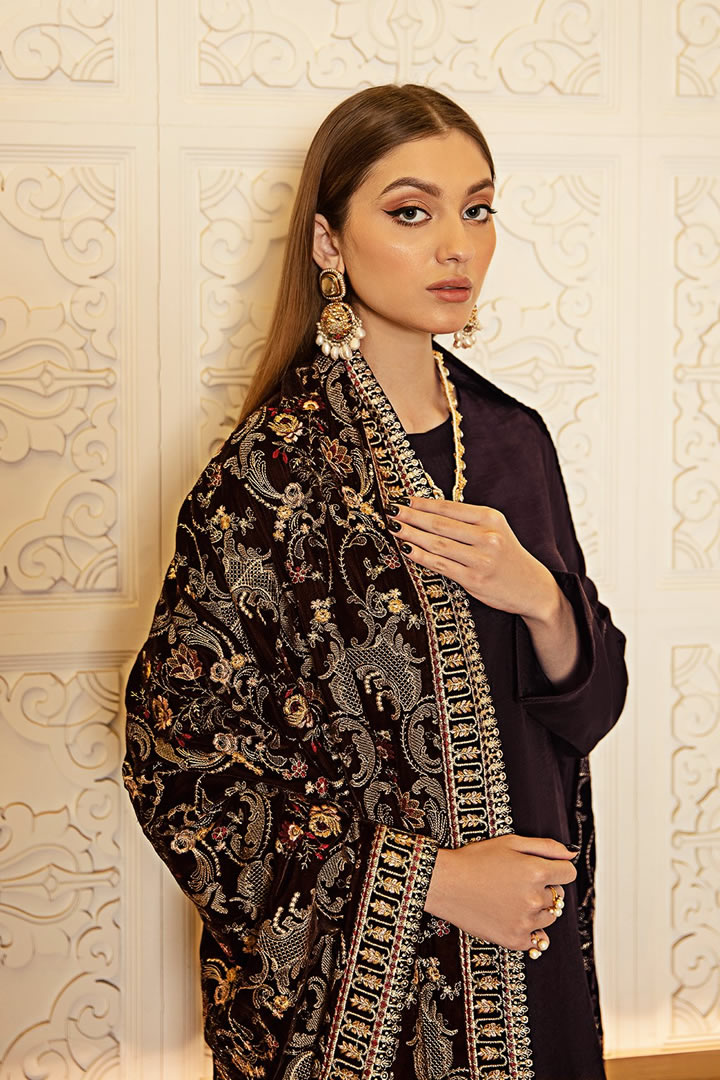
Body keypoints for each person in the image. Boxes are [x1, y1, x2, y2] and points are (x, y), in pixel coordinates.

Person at [123, 84, 627, 1080]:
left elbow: (592, 709)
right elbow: (179, 762)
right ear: (328, 241)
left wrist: (538, 595)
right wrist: (428, 882)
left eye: (476, 209)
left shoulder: (514, 440)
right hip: (380, 1005)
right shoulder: (270, 478)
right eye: (410, 211)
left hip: (536, 953)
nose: (457, 246)